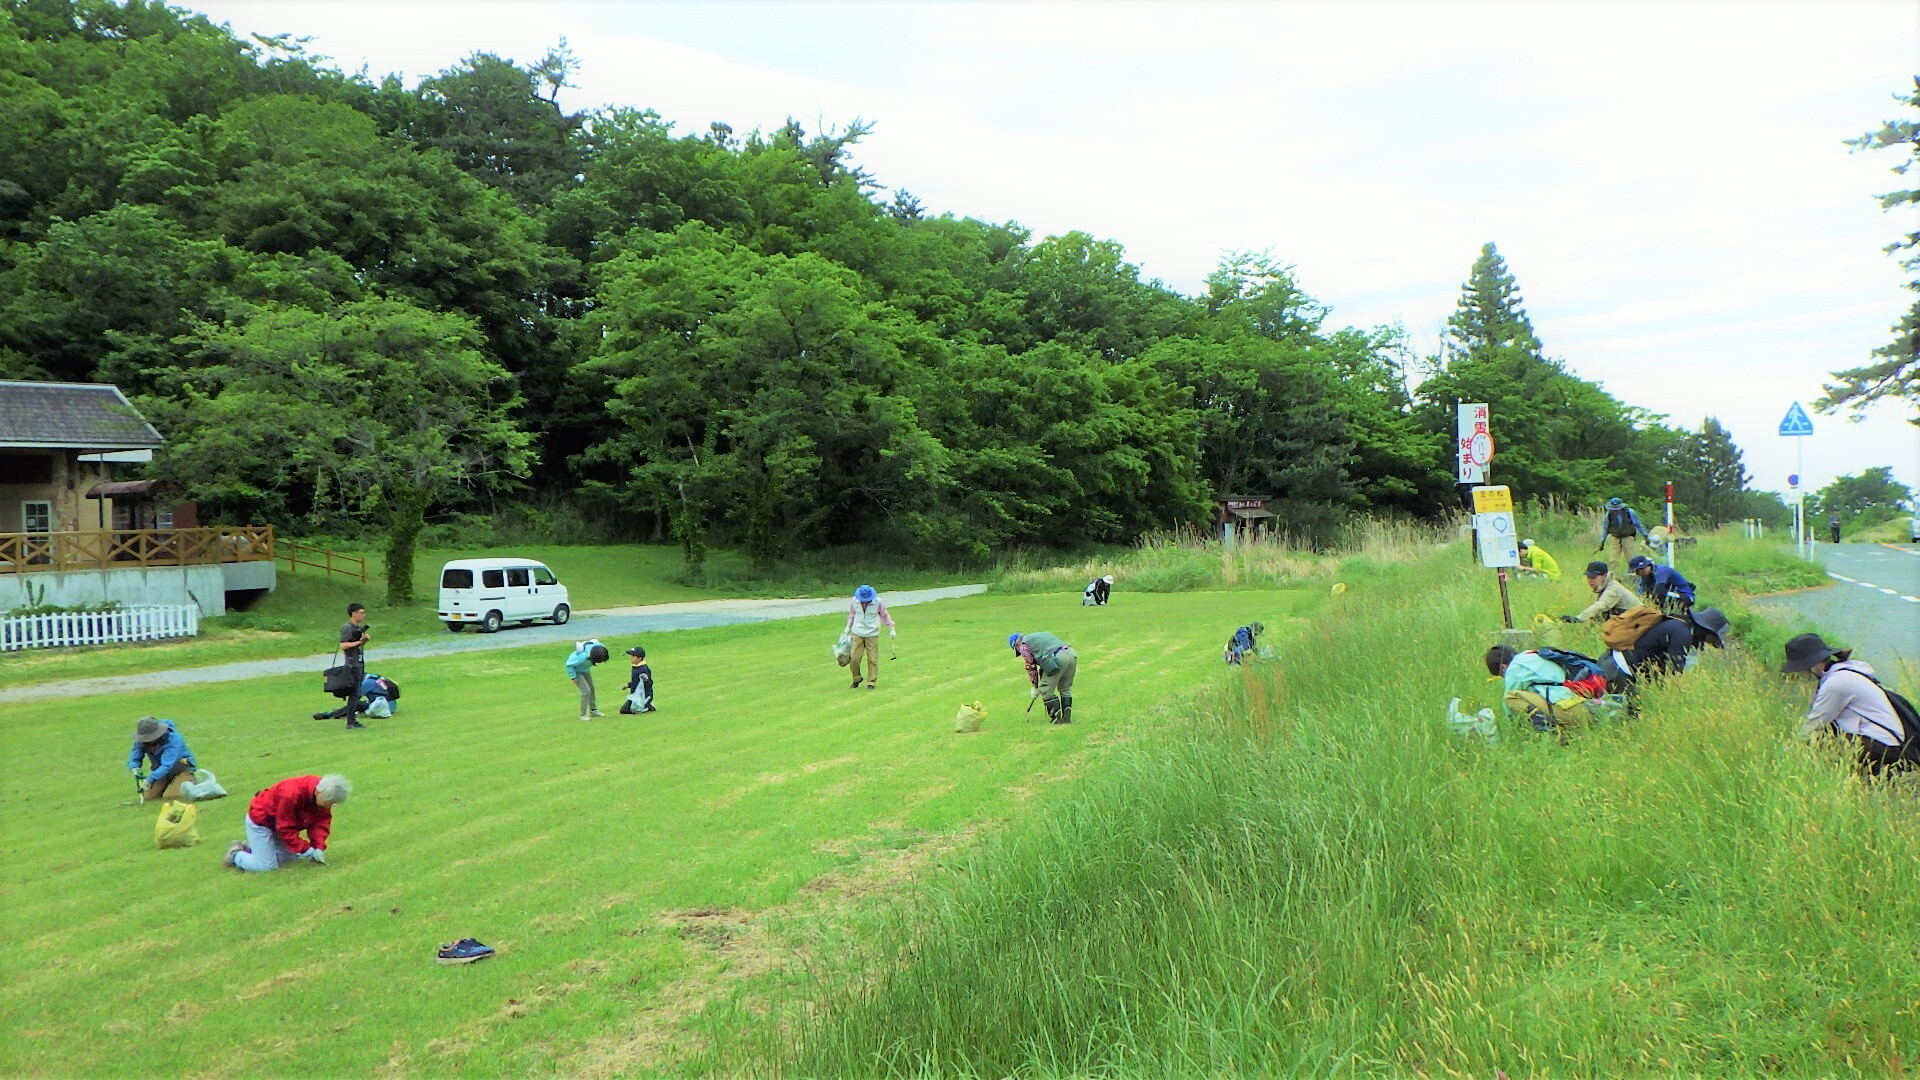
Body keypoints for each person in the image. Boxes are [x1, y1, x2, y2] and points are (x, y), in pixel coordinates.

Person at [1782, 633, 1916, 775]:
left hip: (1886, 748)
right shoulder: (1847, 671)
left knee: (1821, 741)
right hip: (1892, 744)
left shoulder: (1836, 683)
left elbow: (1814, 723)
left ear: (1814, 664)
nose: (1800, 673)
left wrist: (1787, 753)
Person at [225, 774, 350, 872]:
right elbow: (285, 829)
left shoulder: (324, 796)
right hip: (262, 823)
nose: (329, 806)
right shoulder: (290, 795)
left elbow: (320, 822)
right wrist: (307, 850)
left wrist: (318, 847)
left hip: (280, 825)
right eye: (329, 803)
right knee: (266, 867)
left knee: (291, 860)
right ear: (318, 792)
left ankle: (253, 849)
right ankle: (235, 855)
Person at [1484, 645, 1583, 731]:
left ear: (1502, 667)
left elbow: (1508, 706)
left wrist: (1512, 727)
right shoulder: (1532, 655)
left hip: (1570, 712)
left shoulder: (1514, 668)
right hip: (1583, 706)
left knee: (1511, 697)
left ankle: (1551, 731)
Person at [1010, 631, 1077, 725]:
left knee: (1046, 690)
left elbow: (1031, 667)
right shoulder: (1039, 635)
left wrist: (1035, 686)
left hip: (1057, 658)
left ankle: (1056, 719)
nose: (1020, 652)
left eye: (1017, 650)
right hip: (1071, 654)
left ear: (1017, 643)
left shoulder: (1023, 645)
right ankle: (1067, 719)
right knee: (1065, 689)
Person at [127, 716, 198, 802]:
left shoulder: (173, 739)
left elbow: (167, 764)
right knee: (148, 797)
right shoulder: (142, 740)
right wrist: (135, 768)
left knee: (170, 796)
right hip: (161, 773)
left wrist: (149, 780)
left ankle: (191, 783)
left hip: (182, 770)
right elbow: (135, 754)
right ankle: (170, 784)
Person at [844, 585, 896, 690]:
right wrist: (847, 628)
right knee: (854, 658)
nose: (864, 602)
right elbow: (852, 615)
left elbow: (884, 615)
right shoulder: (855, 601)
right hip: (857, 632)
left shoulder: (878, 602)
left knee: (872, 659)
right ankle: (856, 678)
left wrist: (891, 628)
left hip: (872, 633)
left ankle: (871, 682)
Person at [1560, 561, 1644, 624]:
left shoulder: (1613, 588)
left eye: (1594, 577)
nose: (1590, 580)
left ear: (1604, 576)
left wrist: (1579, 618)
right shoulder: (1604, 585)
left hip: (1637, 620)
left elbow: (1600, 605)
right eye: (1588, 577)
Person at [337, 602, 370, 730]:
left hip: (359, 663)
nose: (363, 615)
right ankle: (351, 722)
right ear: (354, 613)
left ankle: (352, 720)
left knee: (357, 693)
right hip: (352, 665)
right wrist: (358, 642)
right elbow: (343, 645)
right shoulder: (347, 628)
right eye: (361, 612)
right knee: (354, 694)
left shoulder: (358, 628)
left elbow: (359, 646)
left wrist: (363, 641)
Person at [1627, 554, 1695, 616]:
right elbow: (1641, 594)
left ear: (1644, 568)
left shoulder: (1661, 571)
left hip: (1685, 597)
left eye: (1637, 571)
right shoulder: (1646, 577)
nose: (1636, 574)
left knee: (1657, 594)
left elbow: (1659, 591)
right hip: (1669, 596)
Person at [312, 673, 399, 721]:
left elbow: (354, 700)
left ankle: (331, 714)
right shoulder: (375, 677)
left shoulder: (365, 683)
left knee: (356, 704)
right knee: (362, 704)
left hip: (382, 707)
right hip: (392, 706)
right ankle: (335, 713)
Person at [566, 639, 610, 721]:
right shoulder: (581, 656)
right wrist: (573, 677)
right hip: (576, 671)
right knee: (586, 691)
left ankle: (593, 710)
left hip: (585, 669)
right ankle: (583, 715)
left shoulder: (601, 649)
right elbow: (569, 665)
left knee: (592, 688)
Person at [620, 646, 655, 714]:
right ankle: (645, 706)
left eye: (633, 656)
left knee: (625, 710)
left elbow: (648, 683)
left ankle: (646, 707)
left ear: (640, 658)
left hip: (642, 696)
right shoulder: (635, 667)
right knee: (626, 708)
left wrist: (646, 679)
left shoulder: (643, 669)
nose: (631, 658)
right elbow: (635, 681)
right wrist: (628, 685)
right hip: (635, 694)